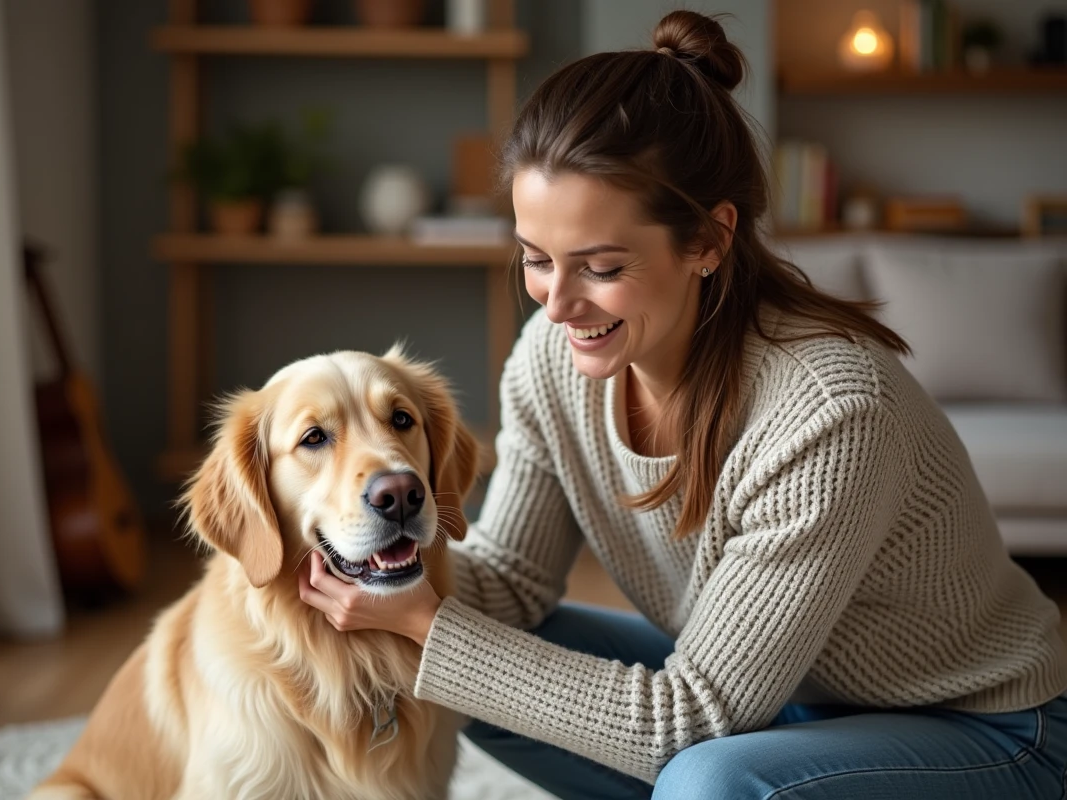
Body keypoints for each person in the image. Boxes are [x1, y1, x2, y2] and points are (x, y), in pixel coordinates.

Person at [299, 9, 1067, 799]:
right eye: (535, 260)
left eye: (599, 266)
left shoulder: (831, 413)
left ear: (707, 240)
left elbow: (693, 720)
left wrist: (426, 627)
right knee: (475, 676)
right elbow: (512, 583)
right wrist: (364, 558)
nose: (556, 305)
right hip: (784, 704)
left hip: (984, 730)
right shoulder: (551, 361)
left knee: (705, 777)